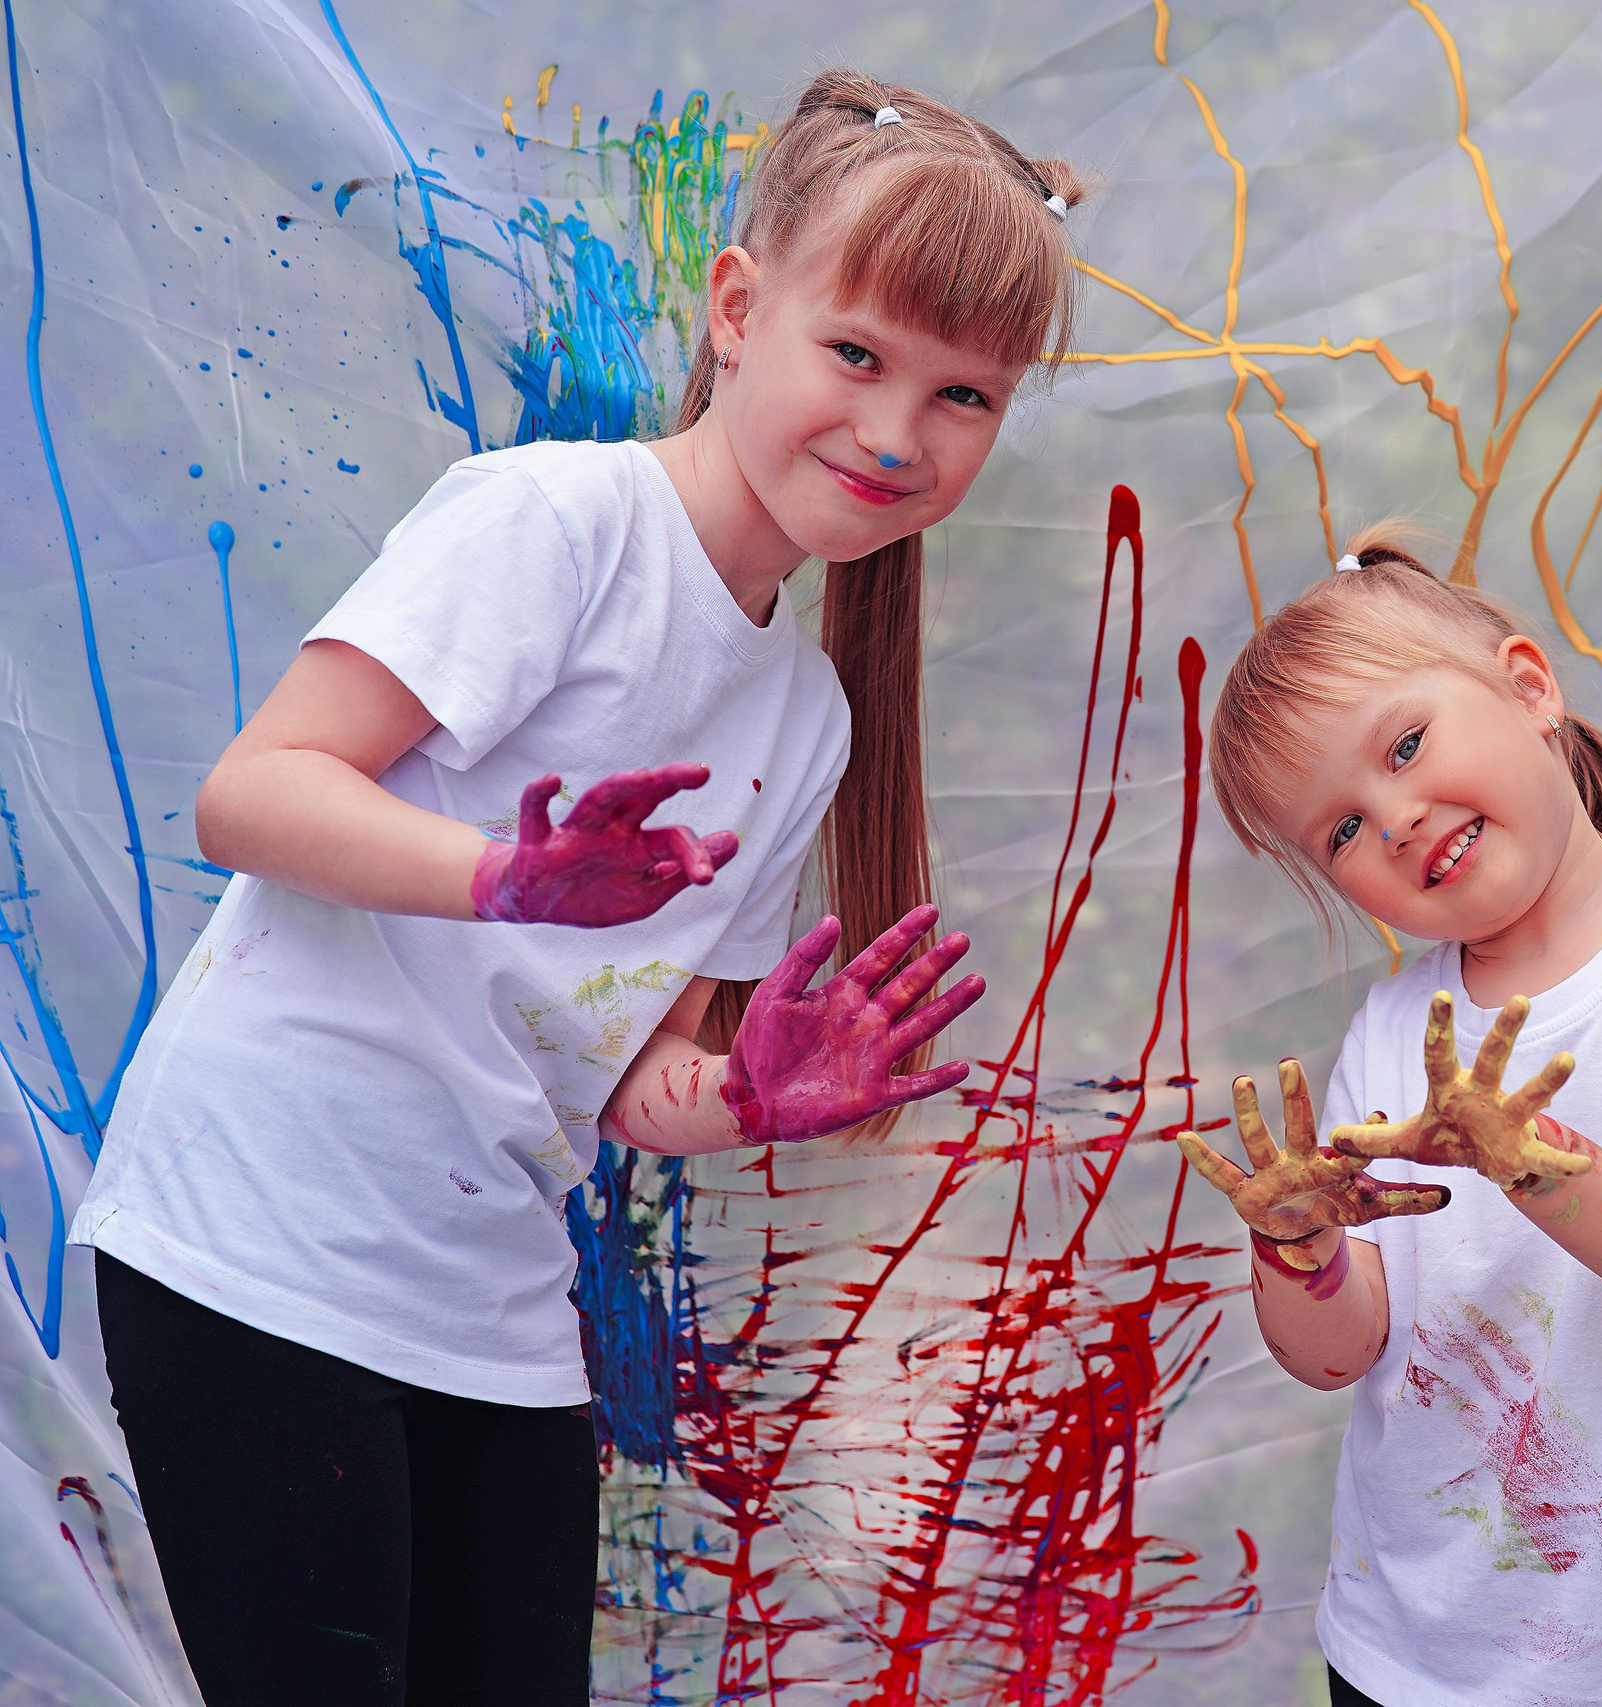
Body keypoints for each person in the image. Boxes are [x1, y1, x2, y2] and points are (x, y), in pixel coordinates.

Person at [67, 71, 1087, 1707]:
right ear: (740, 311)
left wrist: (741, 1094)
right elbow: (251, 794)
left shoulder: (803, 717)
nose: (897, 432)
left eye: (963, 395)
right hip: (256, 1242)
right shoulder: (557, 522)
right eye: (858, 354)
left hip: (489, 1306)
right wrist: (508, 874)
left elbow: (623, 1080)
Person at [1176, 537, 1602, 1707]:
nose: (1390, 819)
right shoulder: (1396, 1033)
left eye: (1404, 746)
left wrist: (1527, 1160)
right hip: (1400, 1657)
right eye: (1339, 830)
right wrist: (1296, 1248)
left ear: (1531, 687)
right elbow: (1340, 1354)